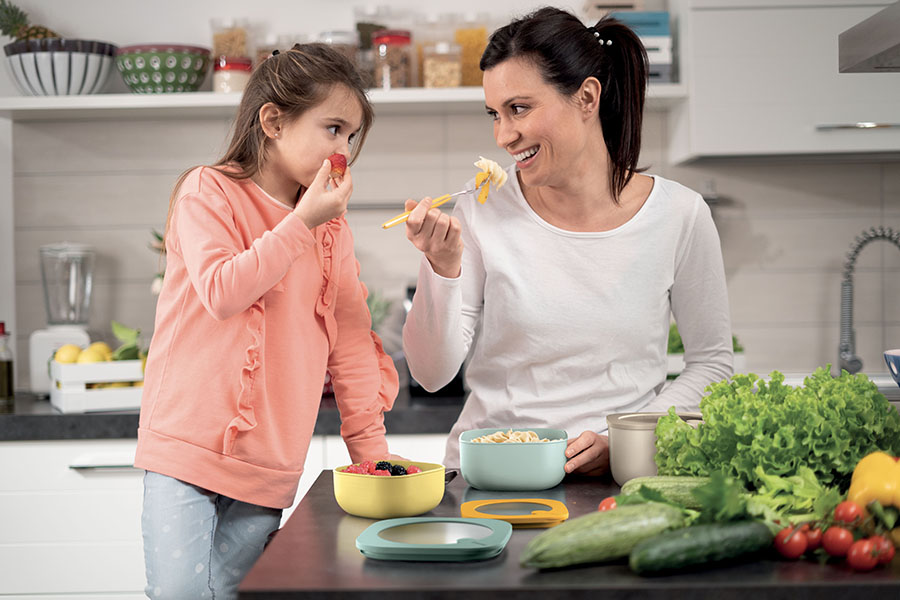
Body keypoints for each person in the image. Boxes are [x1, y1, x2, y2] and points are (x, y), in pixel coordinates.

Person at [401, 7, 733, 476]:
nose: (503, 136)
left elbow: (711, 365)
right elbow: (432, 375)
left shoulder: (680, 214)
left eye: (519, 109)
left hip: (617, 480)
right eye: (494, 114)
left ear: (587, 98)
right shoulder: (481, 207)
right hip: (489, 477)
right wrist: (441, 268)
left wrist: (626, 439)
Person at [134, 44, 398, 599]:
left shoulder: (331, 229)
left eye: (351, 137)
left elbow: (351, 344)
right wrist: (303, 222)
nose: (343, 151)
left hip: (270, 463)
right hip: (186, 448)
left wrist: (373, 460)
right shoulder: (208, 191)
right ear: (274, 121)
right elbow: (222, 291)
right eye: (332, 129)